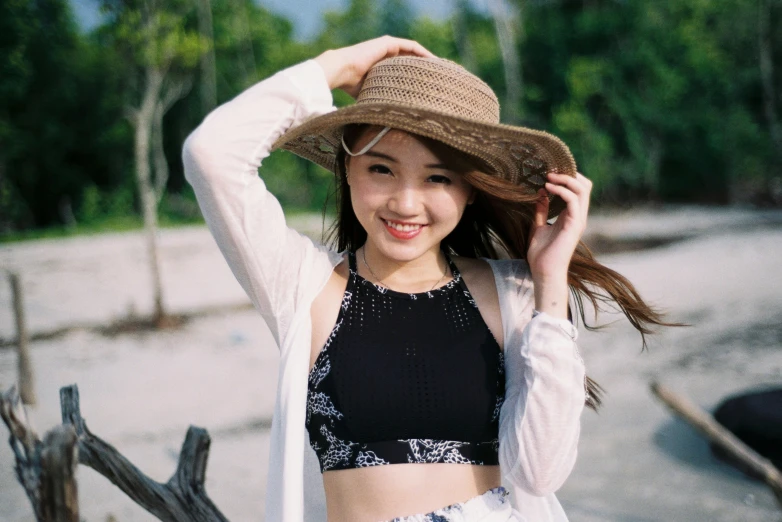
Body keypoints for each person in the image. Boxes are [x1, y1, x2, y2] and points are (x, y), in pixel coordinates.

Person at [182, 36, 667, 522]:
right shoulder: (305, 285)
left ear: (471, 190)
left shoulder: (512, 293)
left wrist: (549, 283)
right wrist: (336, 66)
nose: (406, 204)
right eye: (381, 169)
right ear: (347, 168)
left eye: (437, 178)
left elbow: (540, 473)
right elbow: (212, 154)